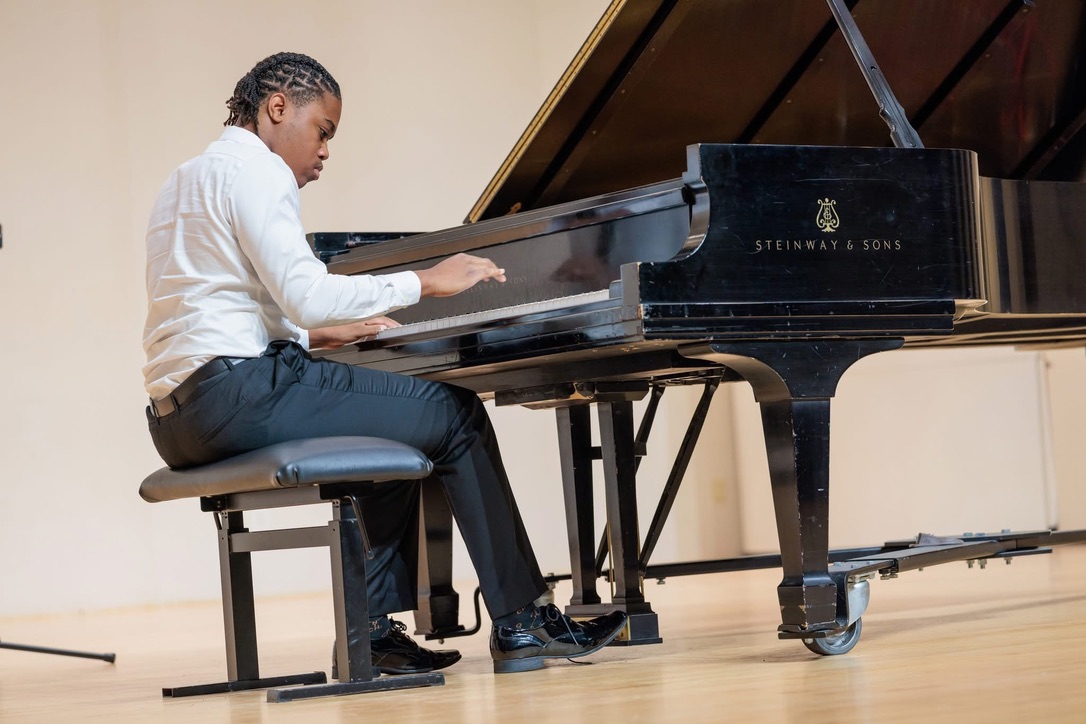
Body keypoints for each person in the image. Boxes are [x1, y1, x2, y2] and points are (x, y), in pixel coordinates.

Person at [142, 51, 627, 676]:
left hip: (178, 420)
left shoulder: (184, 179)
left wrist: (313, 337)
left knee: (395, 426)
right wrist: (425, 280)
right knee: (455, 414)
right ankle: (524, 622)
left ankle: (373, 634)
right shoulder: (259, 173)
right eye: (323, 131)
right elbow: (307, 293)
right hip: (243, 393)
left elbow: (212, 304)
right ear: (277, 107)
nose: (324, 152)